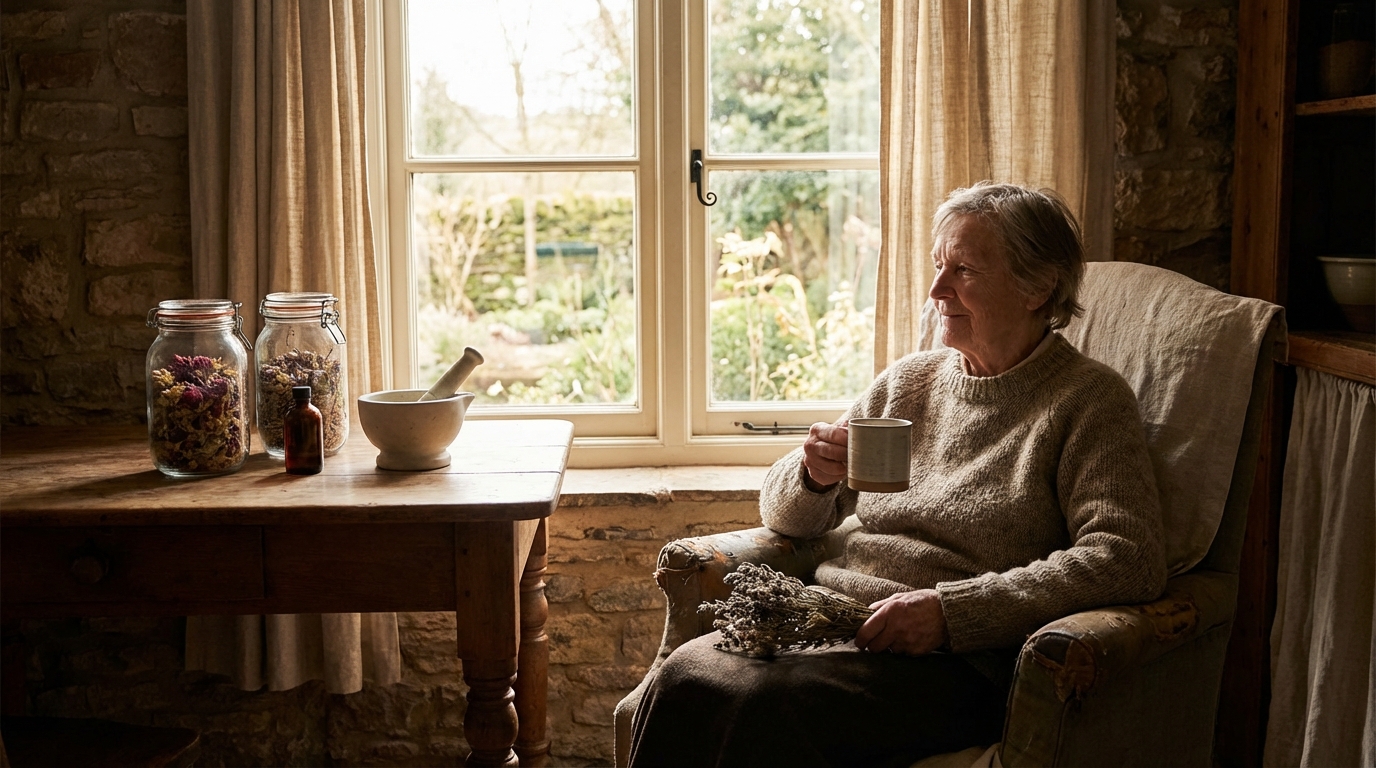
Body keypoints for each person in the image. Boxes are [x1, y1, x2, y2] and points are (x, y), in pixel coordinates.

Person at [628, 182, 1167, 768]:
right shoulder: (910, 382)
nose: (936, 291)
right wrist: (813, 475)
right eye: (938, 266)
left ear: (1037, 287)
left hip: (959, 661)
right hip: (836, 620)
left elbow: (1127, 557)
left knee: (761, 705)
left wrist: (952, 613)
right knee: (685, 675)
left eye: (964, 270)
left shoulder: (1088, 400)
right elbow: (785, 518)